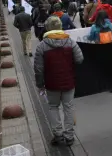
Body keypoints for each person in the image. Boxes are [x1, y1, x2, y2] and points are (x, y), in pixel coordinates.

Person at [34, 16, 84, 146]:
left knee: (53, 107)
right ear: (60, 27)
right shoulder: (70, 42)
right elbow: (80, 59)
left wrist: (40, 85)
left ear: (48, 28)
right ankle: (69, 136)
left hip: (51, 83)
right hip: (68, 81)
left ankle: (58, 135)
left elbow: (38, 69)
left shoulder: (42, 46)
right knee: (68, 107)